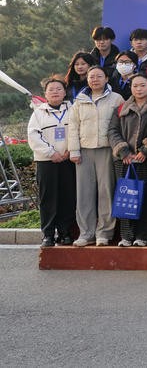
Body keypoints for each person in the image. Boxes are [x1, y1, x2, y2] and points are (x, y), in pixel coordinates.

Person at [67, 66, 125, 247]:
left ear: (106, 78)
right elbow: (73, 127)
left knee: (106, 191)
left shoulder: (116, 99)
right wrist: (74, 150)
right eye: (91, 77)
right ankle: (86, 233)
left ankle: (104, 233)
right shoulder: (79, 100)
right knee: (84, 193)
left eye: (99, 76)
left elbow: (122, 126)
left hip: (107, 150)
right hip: (84, 151)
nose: (95, 80)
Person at [107, 73, 147, 247]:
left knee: (146, 197)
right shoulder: (121, 108)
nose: (139, 89)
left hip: (146, 160)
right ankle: (127, 236)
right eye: (135, 86)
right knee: (126, 197)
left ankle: (144, 235)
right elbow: (112, 131)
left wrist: (146, 149)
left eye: (142, 85)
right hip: (125, 160)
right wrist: (124, 152)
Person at [28, 77, 76, 246]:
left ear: (65, 92)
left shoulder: (72, 109)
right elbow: (33, 136)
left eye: (58, 89)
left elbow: (78, 130)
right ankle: (48, 234)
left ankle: (65, 232)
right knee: (47, 198)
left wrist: (71, 149)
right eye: (51, 89)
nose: (55, 92)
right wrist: (51, 153)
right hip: (47, 161)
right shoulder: (38, 112)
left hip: (69, 159)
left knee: (68, 197)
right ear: (45, 93)